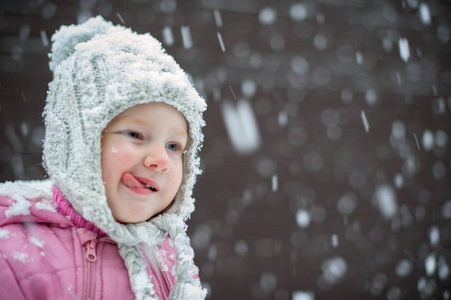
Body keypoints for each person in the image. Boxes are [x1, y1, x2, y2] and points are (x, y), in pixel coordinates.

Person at [0, 16, 207, 300]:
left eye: (173, 146)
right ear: (78, 142)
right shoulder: (14, 253)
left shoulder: (169, 256)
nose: (160, 159)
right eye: (135, 134)